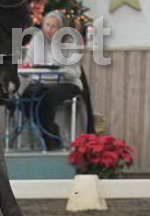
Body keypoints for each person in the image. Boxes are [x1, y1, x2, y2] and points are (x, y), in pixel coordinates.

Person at [19, 11, 95, 150]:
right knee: (26, 98)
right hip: (40, 82)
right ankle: (51, 132)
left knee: (46, 99)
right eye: (47, 25)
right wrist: (26, 66)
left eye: (53, 26)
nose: (48, 29)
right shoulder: (36, 40)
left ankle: (50, 140)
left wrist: (61, 68)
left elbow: (75, 73)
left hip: (66, 83)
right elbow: (27, 65)